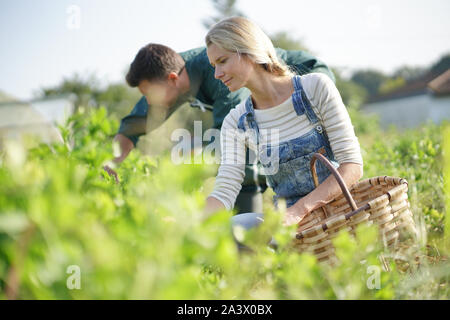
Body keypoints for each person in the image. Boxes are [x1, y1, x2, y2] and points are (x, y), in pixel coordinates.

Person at [105, 42, 336, 214]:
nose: (150, 102)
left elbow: (234, 138)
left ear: (173, 79)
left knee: (277, 159)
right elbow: (132, 126)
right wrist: (111, 162)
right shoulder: (167, 77)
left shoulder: (221, 78)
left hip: (304, 74)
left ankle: (324, 216)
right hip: (270, 103)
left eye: (149, 95)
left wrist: (185, 176)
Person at [202, 17, 363, 243]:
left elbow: (352, 167)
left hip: (338, 212)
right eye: (213, 66)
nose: (217, 74)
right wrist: (191, 224)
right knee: (226, 232)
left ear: (248, 50)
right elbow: (225, 190)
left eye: (222, 61)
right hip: (286, 226)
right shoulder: (237, 121)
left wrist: (297, 212)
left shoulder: (315, 88)